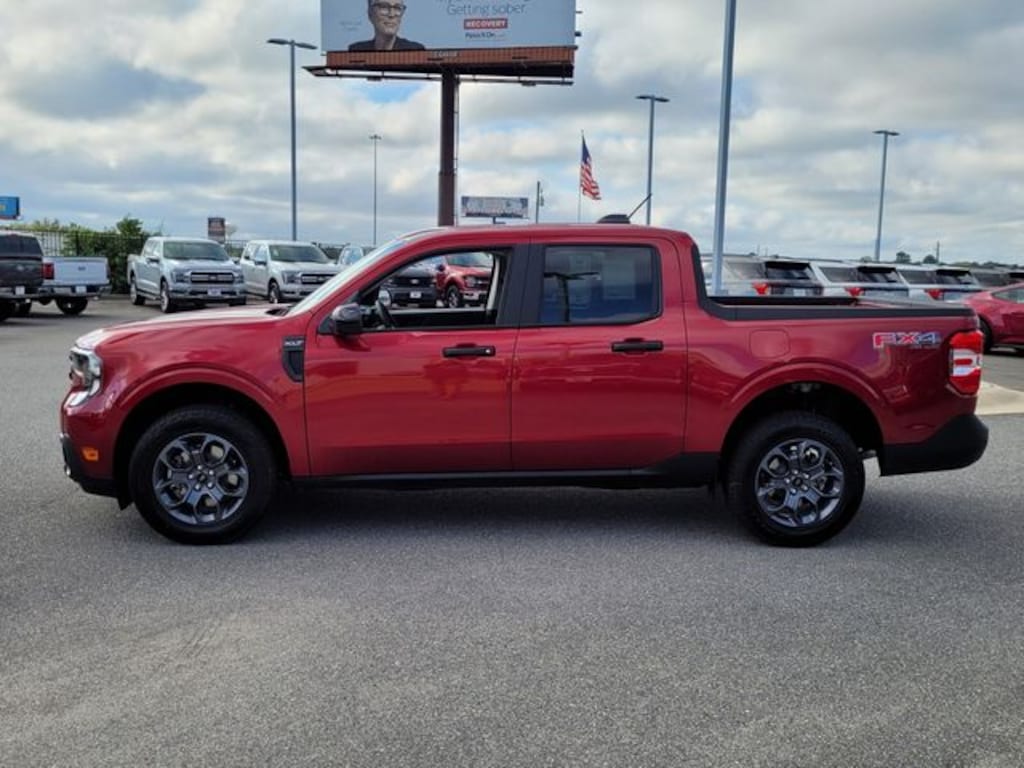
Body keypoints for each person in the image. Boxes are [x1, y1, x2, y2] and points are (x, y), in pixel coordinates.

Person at [348, 1, 425, 51]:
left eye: (397, 8)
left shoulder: (415, 51)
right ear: (370, 13)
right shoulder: (356, 51)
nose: (391, 14)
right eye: (384, 7)